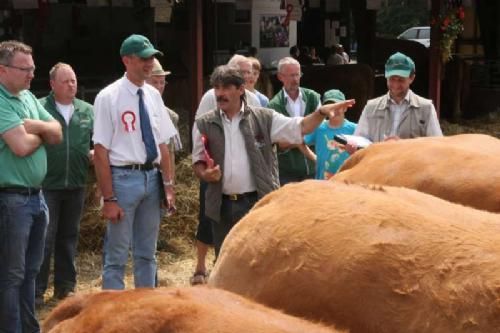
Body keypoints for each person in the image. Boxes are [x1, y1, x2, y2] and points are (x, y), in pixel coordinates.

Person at [192, 65, 355, 257]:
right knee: (224, 260)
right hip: (222, 206)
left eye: (226, 88)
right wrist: (205, 174)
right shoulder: (204, 123)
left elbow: (301, 126)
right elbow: (197, 160)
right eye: (217, 88)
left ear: (241, 89)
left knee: (258, 259)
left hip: (256, 203)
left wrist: (320, 113)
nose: (220, 94)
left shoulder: (264, 118)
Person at [92, 34, 177, 290]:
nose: (149, 63)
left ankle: (146, 310)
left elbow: (162, 143)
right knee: (117, 255)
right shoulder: (109, 97)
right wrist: (108, 198)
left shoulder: (152, 95)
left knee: (147, 253)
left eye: (151, 58)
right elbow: (100, 151)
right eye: (144, 58)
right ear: (126, 60)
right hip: (123, 178)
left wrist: (168, 185)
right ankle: (114, 316)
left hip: (151, 178)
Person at [0, 40, 62, 333]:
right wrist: (41, 131)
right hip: (12, 200)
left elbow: (58, 131)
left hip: (35, 198)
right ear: (2, 69)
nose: (31, 75)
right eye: (25, 69)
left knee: (31, 273)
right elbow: (21, 147)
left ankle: (28, 328)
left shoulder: (27, 97)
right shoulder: (0, 101)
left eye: (33, 68)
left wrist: (32, 125)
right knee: (12, 275)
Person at [190, 54, 261, 285]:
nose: (247, 75)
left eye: (249, 71)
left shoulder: (257, 102)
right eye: (242, 71)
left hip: (246, 184)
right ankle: (202, 266)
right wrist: (202, 161)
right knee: (208, 218)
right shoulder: (212, 98)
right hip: (214, 171)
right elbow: (199, 129)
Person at [35, 63, 94, 304]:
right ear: (52, 85)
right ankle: (37, 290)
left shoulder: (87, 110)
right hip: (47, 184)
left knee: (69, 236)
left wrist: (92, 155)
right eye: (66, 81)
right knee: (44, 238)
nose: (72, 85)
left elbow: (98, 141)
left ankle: (65, 286)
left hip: (77, 183)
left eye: (74, 80)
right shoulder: (40, 107)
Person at [347, 52, 442, 152]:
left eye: (401, 80)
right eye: (392, 79)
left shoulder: (426, 108)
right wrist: (354, 147)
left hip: (411, 166)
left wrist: (403, 145)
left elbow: (437, 145)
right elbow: (360, 139)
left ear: (411, 78)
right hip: (378, 164)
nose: (396, 85)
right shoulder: (371, 107)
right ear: (386, 77)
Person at [268, 56, 321, 185]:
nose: (295, 79)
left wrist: (292, 137)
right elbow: (278, 142)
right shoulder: (273, 105)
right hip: (288, 171)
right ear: (280, 77)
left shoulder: (313, 97)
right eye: (291, 75)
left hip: (313, 168)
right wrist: (302, 136)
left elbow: (319, 130)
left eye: (297, 75)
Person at [304, 89, 356, 180]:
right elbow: (299, 141)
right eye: (331, 106)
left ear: (345, 108)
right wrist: (314, 157)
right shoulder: (318, 127)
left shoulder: (354, 129)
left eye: (338, 106)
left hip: (346, 184)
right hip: (322, 183)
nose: (334, 109)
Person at [145, 57, 182, 182]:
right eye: (155, 82)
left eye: (162, 82)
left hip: (160, 176)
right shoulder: (133, 110)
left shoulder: (171, 116)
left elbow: (170, 153)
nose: (160, 86)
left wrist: (170, 183)